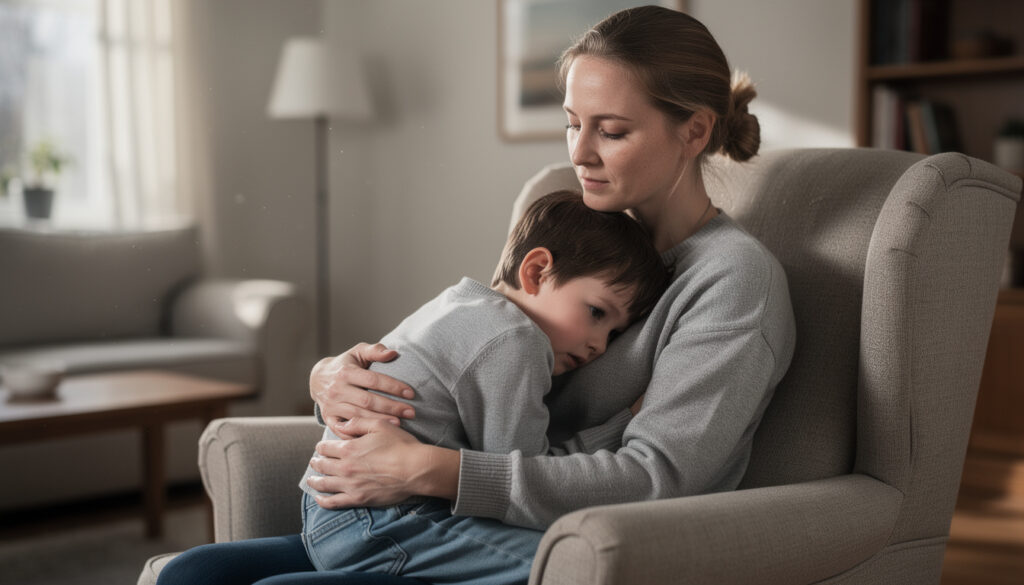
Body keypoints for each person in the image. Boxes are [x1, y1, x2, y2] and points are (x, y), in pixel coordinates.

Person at [307, 2, 797, 538]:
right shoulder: (581, 228)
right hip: (445, 517)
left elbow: (660, 477)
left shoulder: (736, 281)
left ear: (694, 132)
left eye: (610, 131)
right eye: (571, 124)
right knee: (206, 567)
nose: (580, 153)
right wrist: (333, 379)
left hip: (580, 540)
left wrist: (432, 470)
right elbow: (464, 355)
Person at [155, 190, 670, 585]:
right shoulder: (517, 341)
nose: (601, 345)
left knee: (194, 572)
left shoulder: (456, 304)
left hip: (329, 506)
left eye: (616, 333)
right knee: (561, 565)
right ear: (536, 271)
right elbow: (519, 478)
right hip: (388, 519)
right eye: (597, 314)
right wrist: (622, 427)